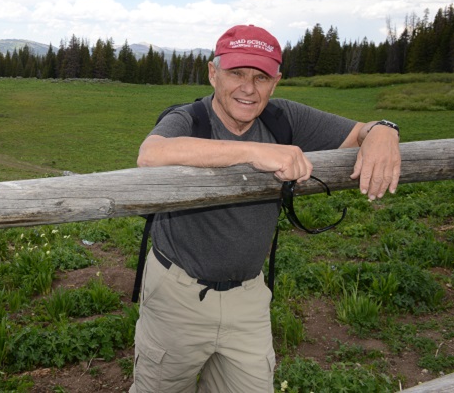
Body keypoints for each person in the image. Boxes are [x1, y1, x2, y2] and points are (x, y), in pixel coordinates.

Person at [130, 24, 401, 392]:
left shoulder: (283, 118)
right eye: (236, 73)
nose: (248, 87)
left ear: (275, 83)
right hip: (176, 295)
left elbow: (359, 132)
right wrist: (254, 152)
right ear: (213, 73)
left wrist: (384, 130)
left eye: (261, 77)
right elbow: (152, 154)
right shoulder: (190, 118)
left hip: (249, 298)